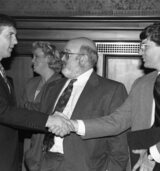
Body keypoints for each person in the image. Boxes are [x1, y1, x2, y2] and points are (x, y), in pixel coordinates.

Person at [0, 13, 72, 171]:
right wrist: (49, 120)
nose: (16, 41)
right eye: (10, 35)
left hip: (1, 158)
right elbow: (2, 111)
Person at [26, 37, 129, 171]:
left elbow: (119, 143)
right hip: (45, 163)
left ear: (83, 59)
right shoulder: (52, 87)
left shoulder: (111, 90)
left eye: (67, 54)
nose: (61, 59)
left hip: (84, 165)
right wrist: (34, 161)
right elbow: (40, 129)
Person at [70, 22, 160, 171]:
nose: (140, 51)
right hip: (142, 161)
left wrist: (152, 154)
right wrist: (74, 125)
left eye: (145, 46)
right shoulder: (141, 83)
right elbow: (118, 121)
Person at [21, 41, 63, 171]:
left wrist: (28, 108)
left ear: (49, 59)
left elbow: (48, 112)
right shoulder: (30, 83)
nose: (32, 61)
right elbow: (20, 110)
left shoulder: (61, 84)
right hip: (28, 142)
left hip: (47, 145)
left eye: (36, 56)